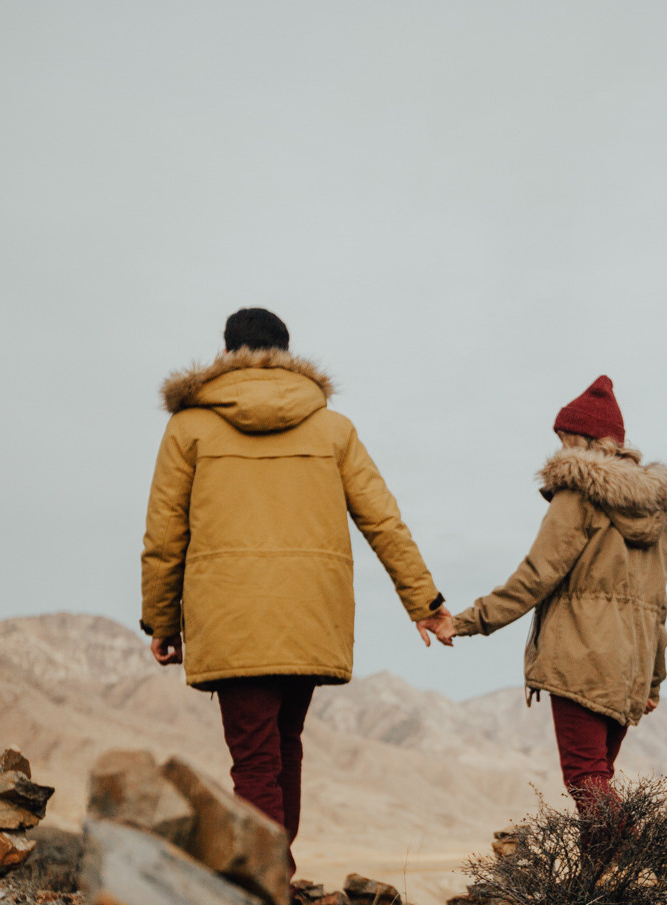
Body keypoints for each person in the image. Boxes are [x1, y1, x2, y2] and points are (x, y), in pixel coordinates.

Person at [140, 307, 452, 870]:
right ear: (287, 354)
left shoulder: (188, 427)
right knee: (285, 745)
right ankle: (277, 873)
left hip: (231, 615)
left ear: (227, 353)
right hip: (311, 614)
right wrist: (424, 603)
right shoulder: (332, 428)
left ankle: (269, 884)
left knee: (255, 759)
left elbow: (165, 533)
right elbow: (383, 521)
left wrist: (162, 622)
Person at [449, 375, 667, 806]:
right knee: (598, 778)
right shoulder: (659, 517)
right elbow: (657, 607)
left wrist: (466, 622)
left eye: (566, 439)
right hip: (628, 665)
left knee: (585, 779)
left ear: (589, 441)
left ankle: (641, 855)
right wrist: (652, 680)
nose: (561, 450)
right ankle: (608, 873)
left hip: (580, 656)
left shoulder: (577, 495)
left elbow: (536, 576)